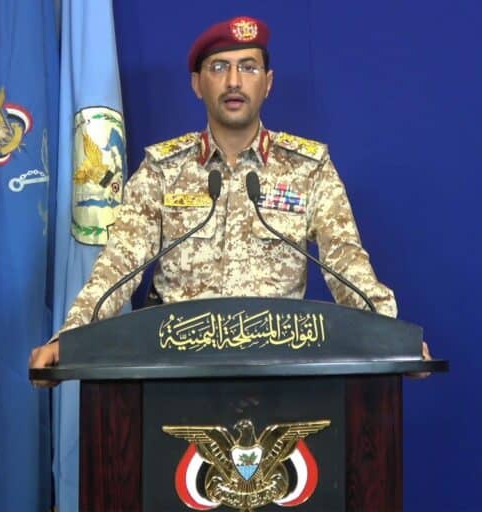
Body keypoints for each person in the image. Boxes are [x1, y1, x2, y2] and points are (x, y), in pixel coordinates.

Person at [30, 16, 430, 381]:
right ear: (196, 83)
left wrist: (390, 335)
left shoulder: (308, 169)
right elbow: (119, 264)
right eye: (219, 67)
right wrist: (71, 337)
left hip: (279, 372)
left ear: (268, 83)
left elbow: (346, 261)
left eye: (248, 67)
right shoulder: (162, 170)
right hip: (176, 373)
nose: (234, 81)